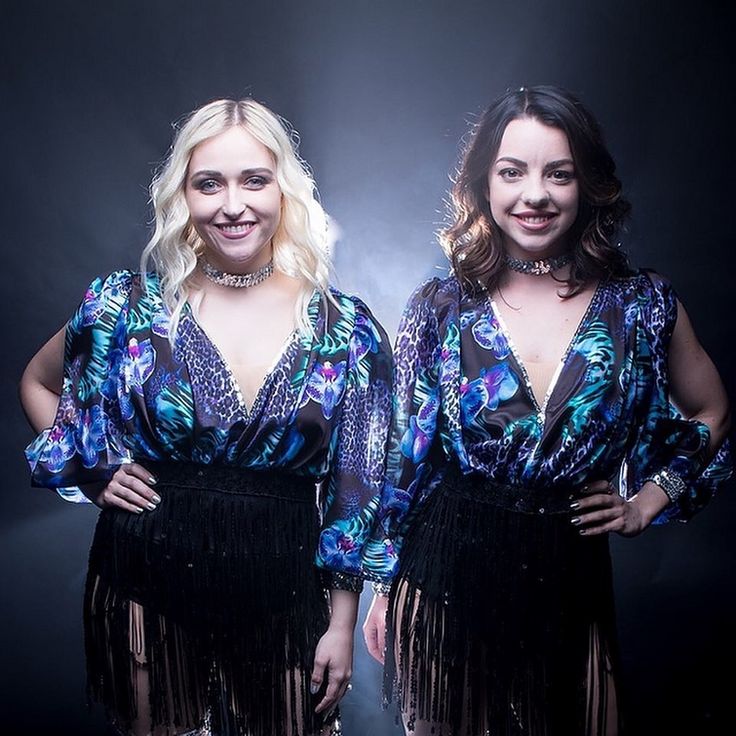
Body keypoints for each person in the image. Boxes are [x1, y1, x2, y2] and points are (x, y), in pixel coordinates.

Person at [360, 85, 731, 736]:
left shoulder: (641, 307)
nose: (535, 194)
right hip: (444, 570)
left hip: (569, 576)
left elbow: (712, 411)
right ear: (485, 184)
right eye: (512, 172)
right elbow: (401, 460)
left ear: (587, 184)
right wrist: (384, 587)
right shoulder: (440, 308)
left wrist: (649, 498)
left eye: (557, 173)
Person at [21, 98, 392, 736]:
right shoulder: (123, 306)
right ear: (181, 195)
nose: (233, 204)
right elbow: (37, 381)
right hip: (146, 576)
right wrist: (89, 468)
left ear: (286, 187)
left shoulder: (347, 328)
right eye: (208, 183)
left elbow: (357, 488)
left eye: (254, 180)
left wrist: (339, 623)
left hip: (283, 585)